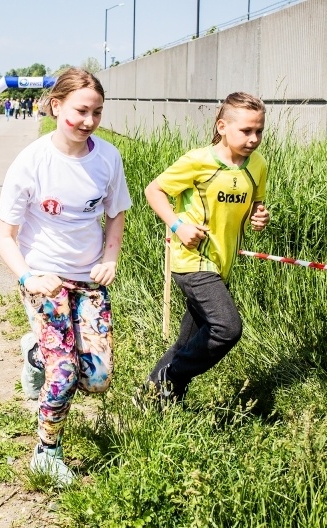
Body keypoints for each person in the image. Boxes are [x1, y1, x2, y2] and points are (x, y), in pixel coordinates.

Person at [0, 68, 132, 487]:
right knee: (65, 372)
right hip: (45, 280)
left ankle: (34, 353)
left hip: (90, 281)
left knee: (97, 378)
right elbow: (4, 236)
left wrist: (111, 258)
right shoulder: (32, 161)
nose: (88, 120)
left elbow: (117, 213)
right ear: (56, 106)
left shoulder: (107, 157)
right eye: (80, 110)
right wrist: (27, 278)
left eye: (97, 112)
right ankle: (46, 453)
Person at [139, 92, 270, 407]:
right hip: (192, 261)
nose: (254, 139)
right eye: (246, 131)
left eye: (259, 131)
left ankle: (153, 398)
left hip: (222, 264)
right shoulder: (199, 161)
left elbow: (256, 202)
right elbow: (153, 190)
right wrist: (177, 226)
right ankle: (172, 378)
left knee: (187, 341)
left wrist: (259, 215)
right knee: (227, 328)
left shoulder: (259, 165)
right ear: (222, 127)